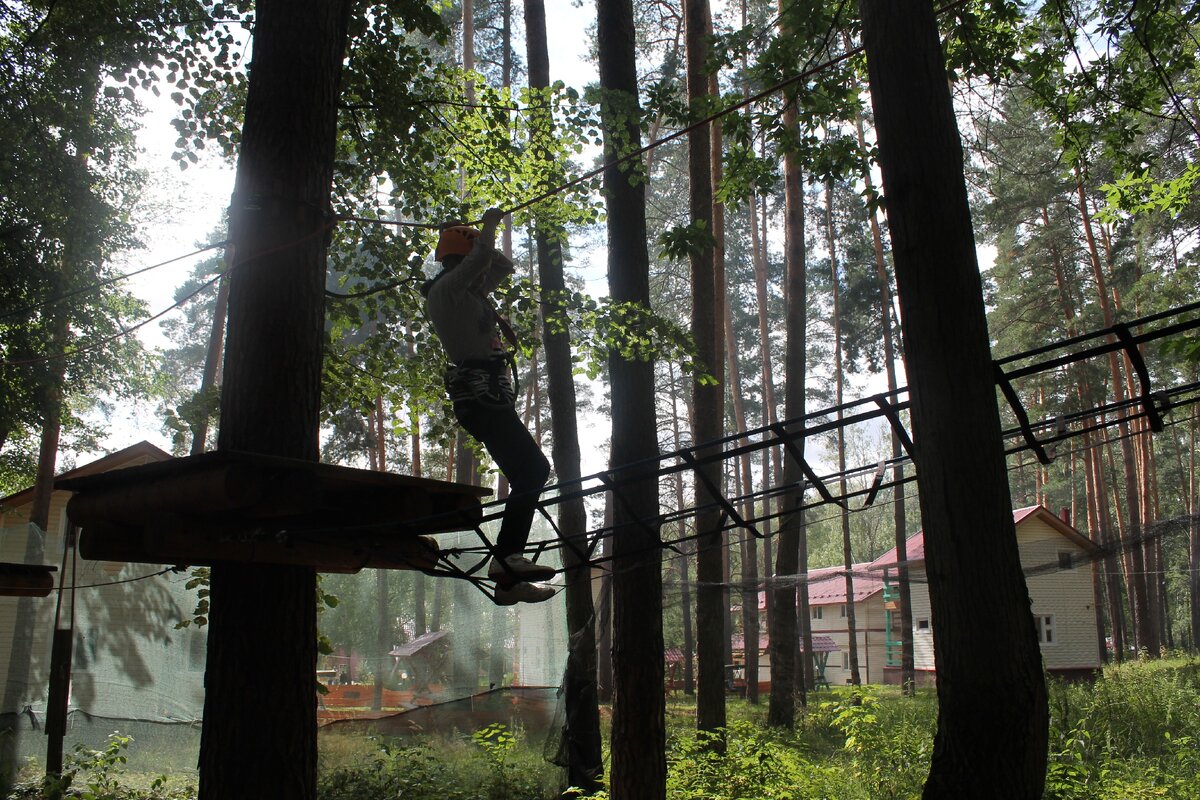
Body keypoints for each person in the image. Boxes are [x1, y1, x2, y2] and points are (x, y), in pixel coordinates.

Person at [422, 208, 556, 605]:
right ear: (459, 261)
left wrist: (477, 237)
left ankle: (508, 578)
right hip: (480, 396)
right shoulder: (446, 291)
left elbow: (500, 265)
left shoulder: (467, 294)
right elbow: (483, 260)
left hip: (488, 397)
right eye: (470, 261)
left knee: (529, 470)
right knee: (532, 469)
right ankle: (508, 560)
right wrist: (490, 226)